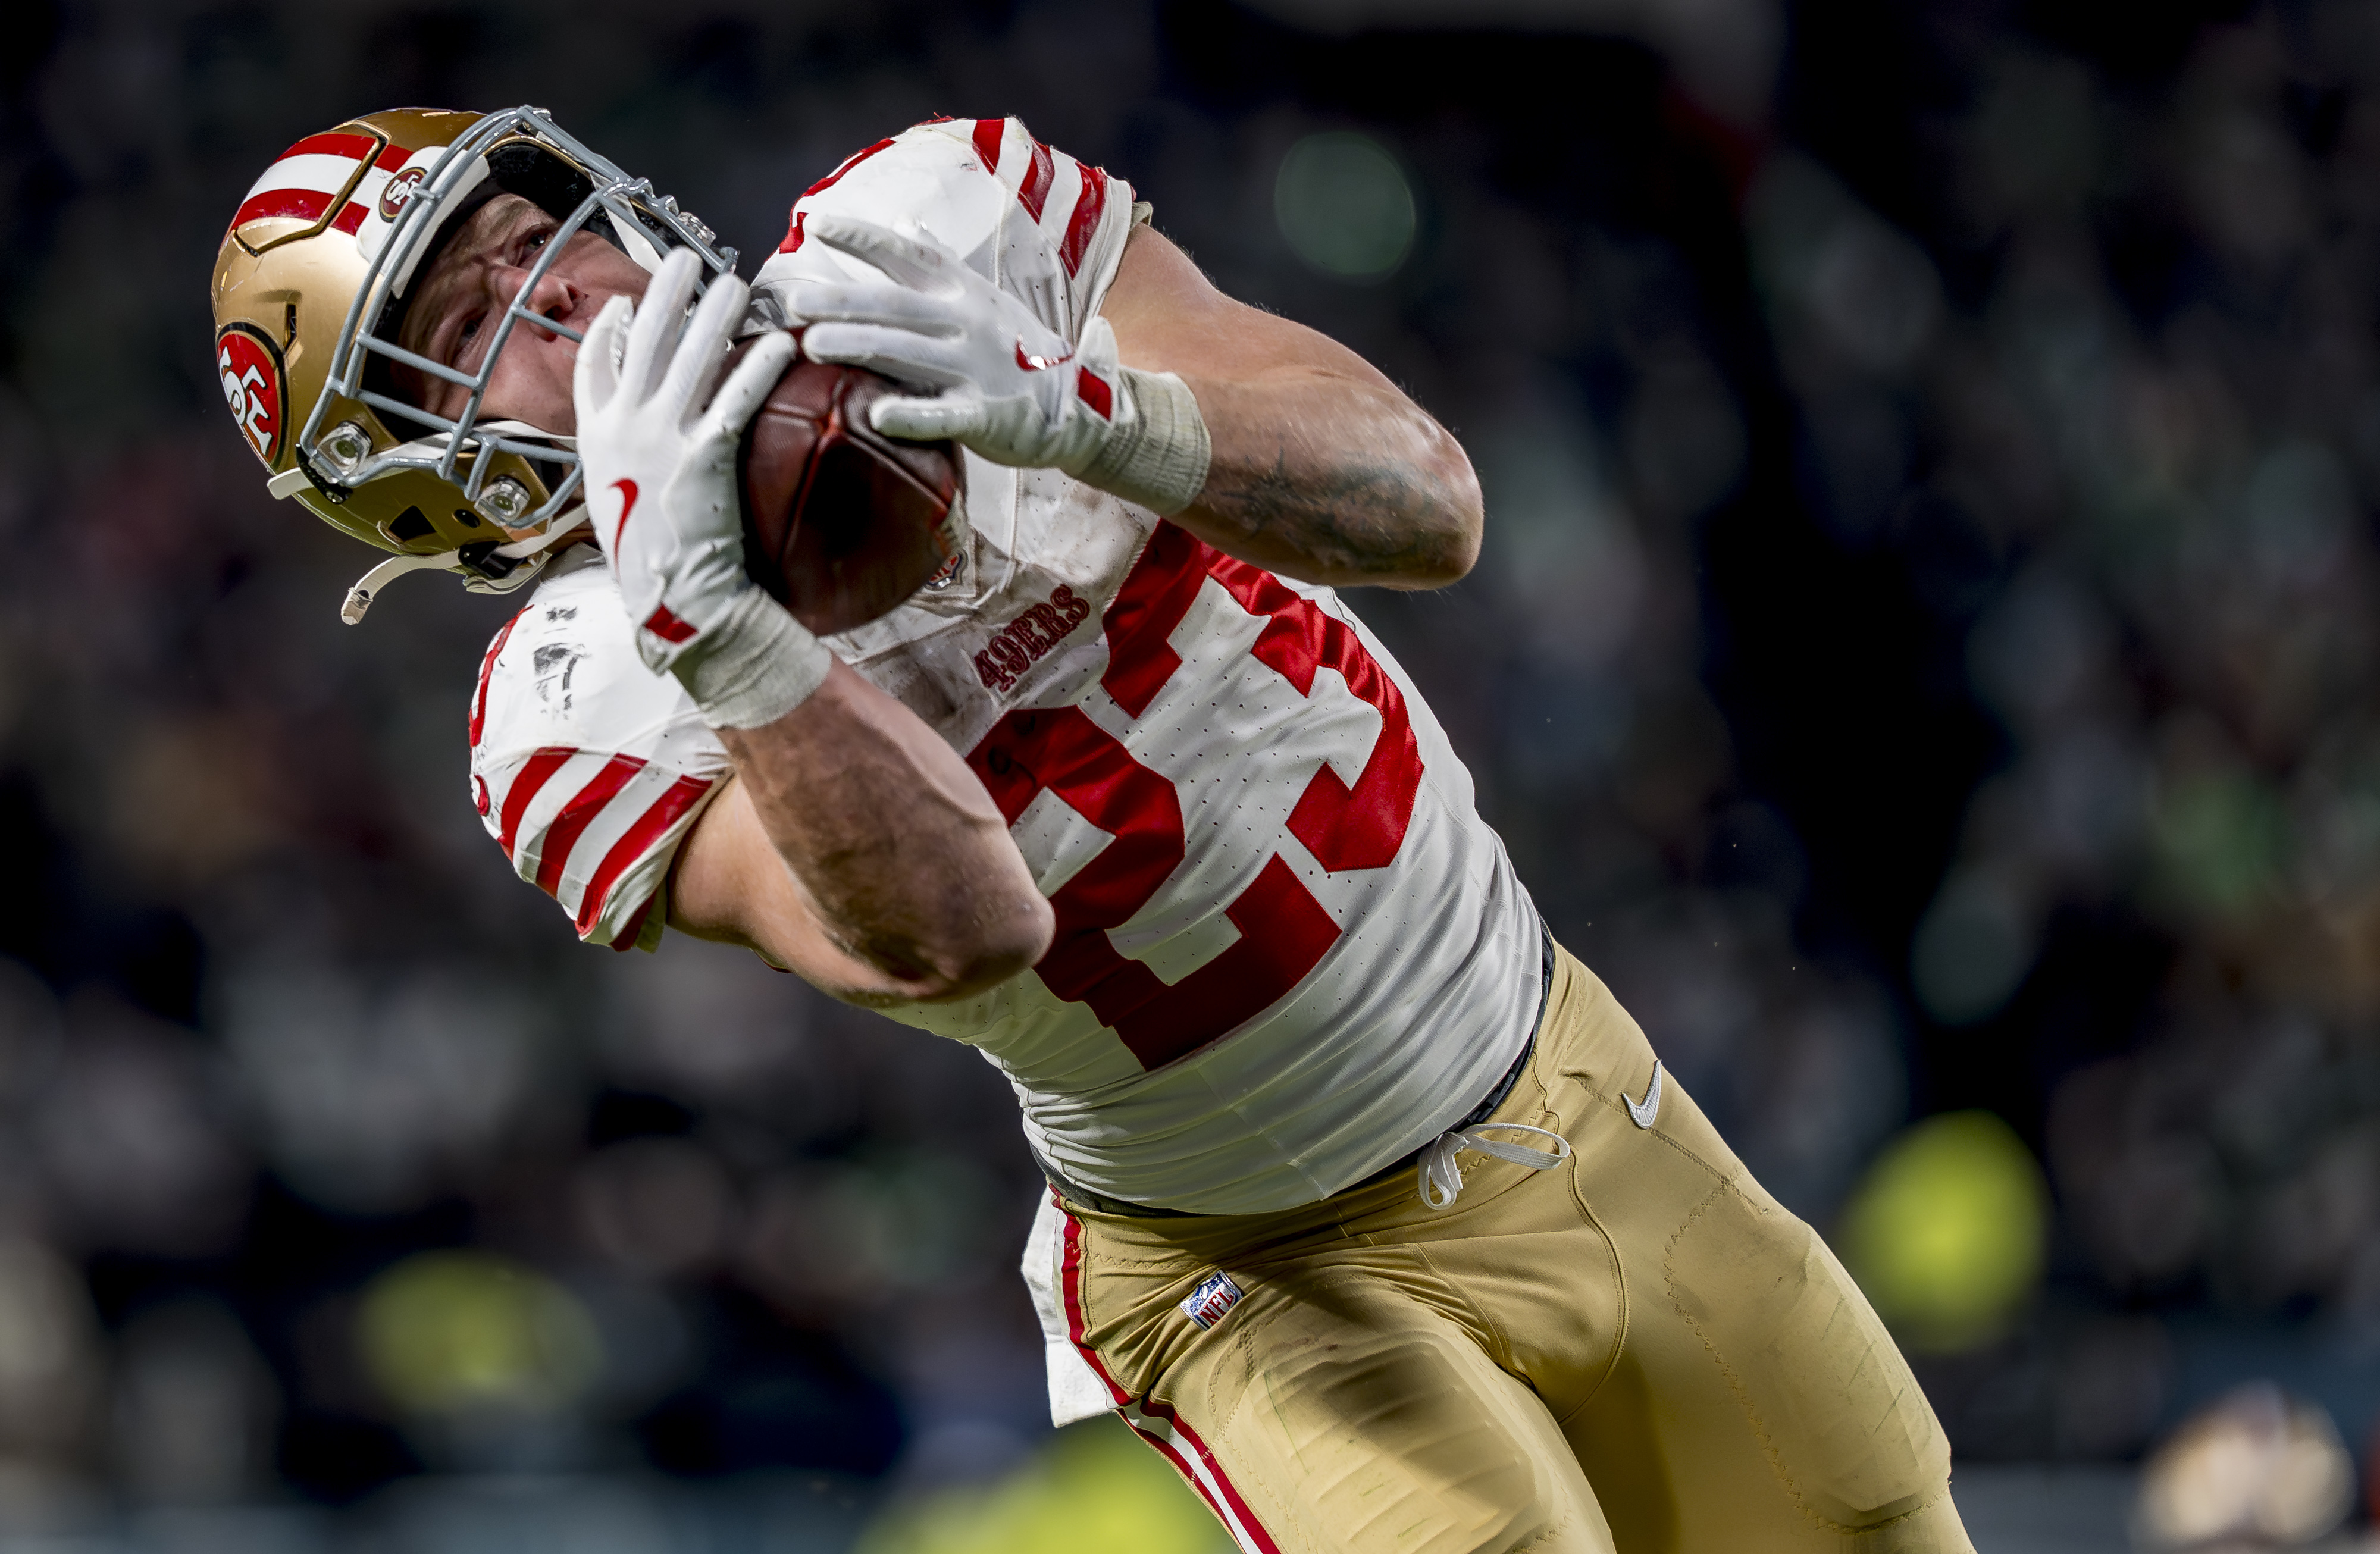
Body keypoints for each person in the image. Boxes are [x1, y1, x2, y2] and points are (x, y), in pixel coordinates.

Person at [211, 106, 1974, 1553]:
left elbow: (1427, 501)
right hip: (1247, 1262)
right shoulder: (578, 694)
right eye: (465, 329)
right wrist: (725, 635)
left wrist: (1096, 412)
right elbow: (957, 927)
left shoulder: (931, 224)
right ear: (429, 476)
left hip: (1552, 1072)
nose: (559, 297)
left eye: (531, 237)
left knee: (1879, 1515)